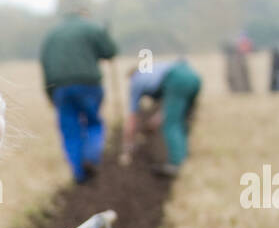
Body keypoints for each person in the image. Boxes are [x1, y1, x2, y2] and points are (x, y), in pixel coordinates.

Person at [40, 9, 118, 183]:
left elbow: (44, 66)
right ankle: (91, 159)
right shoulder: (92, 28)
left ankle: (79, 175)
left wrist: (50, 95)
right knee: (93, 123)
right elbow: (110, 51)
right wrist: (105, 34)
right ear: (85, 16)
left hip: (60, 89)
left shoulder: (52, 35)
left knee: (70, 130)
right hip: (89, 85)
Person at [123, 59, 202, 175]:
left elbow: (132, 118)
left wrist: (127, 144)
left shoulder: (136, 82)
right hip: (193, 76)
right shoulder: (154, 71)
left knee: (171, 124)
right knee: (182, 121)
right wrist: (157, 119)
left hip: (176, 79)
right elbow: (169, 104)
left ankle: (176, 164)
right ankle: (184, 159)